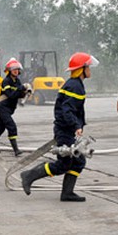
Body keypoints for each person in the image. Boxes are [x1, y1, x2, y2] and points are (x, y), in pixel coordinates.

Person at [20, 52, 99, 202]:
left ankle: (67, 193)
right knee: (63, 164)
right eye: (88, 67)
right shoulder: (74, 86)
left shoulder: (76, 84)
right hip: (65, 131)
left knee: (79, 161)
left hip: (67, 130)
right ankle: (29, 175)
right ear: (81, 69)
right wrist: (76, 125)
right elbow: (67, 109)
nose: (90, 70)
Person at [0, 57, 30, 156]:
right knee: (11, 126)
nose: (16, 71)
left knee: (0, 128)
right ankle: (16, 150)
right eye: (13, 69)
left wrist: (25, 93)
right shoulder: (6, 81)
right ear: (9, 71)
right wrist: (21, 88)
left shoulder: (17, 81)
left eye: (17, 69)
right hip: (3, 107)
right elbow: (10, 95)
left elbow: (18, 95)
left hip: (10, 108)